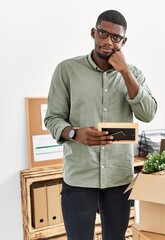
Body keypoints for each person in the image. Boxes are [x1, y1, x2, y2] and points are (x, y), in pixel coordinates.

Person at [44, 9, 157, 240]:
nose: (107, 41)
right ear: (93, 33)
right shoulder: (66, 70)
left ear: (123, 41)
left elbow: (148, 113)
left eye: (115, 38)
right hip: (79, 177)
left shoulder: (133, 73)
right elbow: (53, 118)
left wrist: (124, 70)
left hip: (118, 177)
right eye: (103, 34)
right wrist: (74, 133)